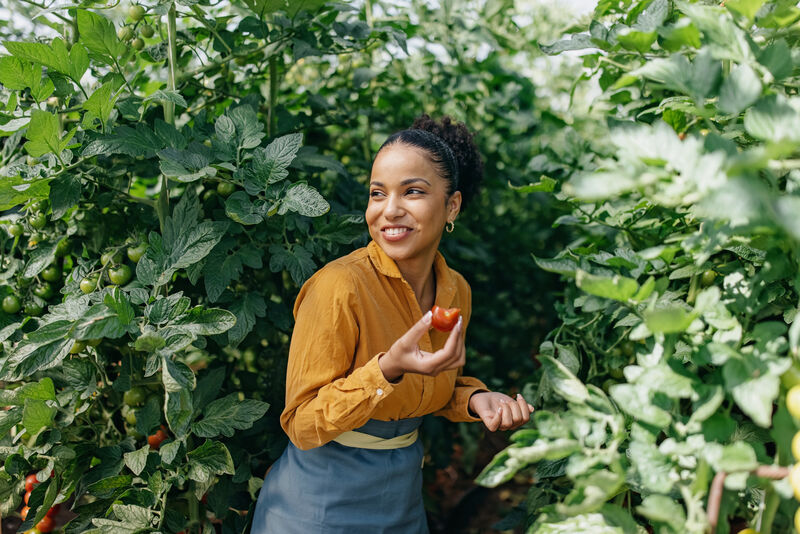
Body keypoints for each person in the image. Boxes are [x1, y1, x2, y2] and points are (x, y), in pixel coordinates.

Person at [251, 115, 534, 534]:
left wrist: (476, 400)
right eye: (377, 194)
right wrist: (387, 369)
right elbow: (303, 423)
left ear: (451, 205)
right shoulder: (339, 286)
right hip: (318, 508)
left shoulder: (455, 290)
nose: (389, 210)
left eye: (413, 192)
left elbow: (430, 387)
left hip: (400, 502)